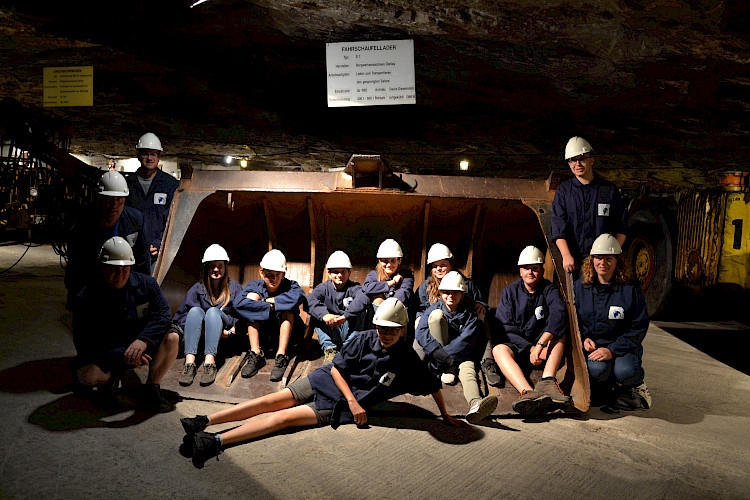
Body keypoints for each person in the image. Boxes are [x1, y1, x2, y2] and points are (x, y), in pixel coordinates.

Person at [179, 298, 463, 469]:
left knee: (283, 419)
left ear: (403, 330)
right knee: (267, 402)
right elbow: (337, 370)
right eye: (380, 328)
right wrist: (354, 402)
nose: (384, 335)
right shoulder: (364, 339)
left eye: (391, 331)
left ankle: (216, 441)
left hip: (337, 407)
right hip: (326, 382)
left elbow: (432, 384)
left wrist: (446, 416)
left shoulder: (408, 360)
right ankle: (204, 421)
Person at [71, 237, 179, 413]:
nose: (120, 273)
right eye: (114, 269)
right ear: (102, 267)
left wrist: (144, 340)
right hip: (108, 352)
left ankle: (152, 388)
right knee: (87, 376)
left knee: (172, 338)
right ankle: (111, 380)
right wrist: (122, 354)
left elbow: (163, 315)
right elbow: (86, 342)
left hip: (140, 346)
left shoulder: (147, 285)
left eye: (125, 268)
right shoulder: (87, 296)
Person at [574, 234, 651, 410]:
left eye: (609, 258)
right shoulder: (580, 287)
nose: (603, 263)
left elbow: (639, 326)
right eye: (598, 258)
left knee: (626, 372)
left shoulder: (630, 289)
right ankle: (609, 389)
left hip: (623, 346)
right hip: (595, 345)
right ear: (591, 260)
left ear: (617, 261)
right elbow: (575, 320)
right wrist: (583, 338)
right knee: (596, 370)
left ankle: (636, 388)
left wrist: (612, 350)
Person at [491, 246, 571, 415]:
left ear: (541, 270)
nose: (530, 273)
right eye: (526, 269)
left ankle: (548, 381)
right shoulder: (509, 292)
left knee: (560, 334)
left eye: (535, 269)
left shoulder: (549, 289)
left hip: (542, 351)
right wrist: (529, 348)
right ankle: (528, 393)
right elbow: (505, 328)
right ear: (520, 271)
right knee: (498, 349)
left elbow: (560, 314)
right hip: (519, 348)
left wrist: (541, 344)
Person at [414, 243, 502, 387]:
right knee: (421, 332)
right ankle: (417, 369)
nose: (439, 269)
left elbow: (479, 300)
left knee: (481, 320)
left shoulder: (466, 284)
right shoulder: (426, 286)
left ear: (451, 264)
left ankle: (487, 362)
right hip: (436, 329)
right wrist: (419, 316)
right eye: (435, 266)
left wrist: (481, 306)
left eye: (443, 264)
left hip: (460, 327)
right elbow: (420, 307)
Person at [415, 271, 497, 423]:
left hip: (460, 354)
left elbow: (465, 341)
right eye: (446, 292)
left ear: (462, 294)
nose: (450, 296)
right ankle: (447, 368)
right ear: (441, 293)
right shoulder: (434, 308)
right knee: (436, 317)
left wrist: (442, 358)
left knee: (468, 371)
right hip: (440, 350)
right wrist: (436, 352)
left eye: (455, 293)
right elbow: (421, 331)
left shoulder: (470, 313)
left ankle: (475, 404)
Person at [65, 170, 150, 308]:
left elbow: (143, 262)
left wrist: (142, 295)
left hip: (125, 288)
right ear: (98, 198)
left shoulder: (135, 221)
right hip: (92, 288)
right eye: (109, 199)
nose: (114, 205)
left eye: (119, 199)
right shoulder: (82, 226)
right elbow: (76, 268)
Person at [551, 136, 627, 274]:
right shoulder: (563, 192)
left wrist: (611, 256)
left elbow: (621, 228)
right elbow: (558, 227)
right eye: (573, 160)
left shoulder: (609, 191)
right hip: (574, 262)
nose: (577, 164)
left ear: (592, 160)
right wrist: (566, 255)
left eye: (582, 158)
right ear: (568, 163)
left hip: (602, 264)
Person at [173, 244, 243, 387]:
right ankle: (189, 364)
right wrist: (198, 329)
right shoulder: (198, 288)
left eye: (219, 266)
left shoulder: (234, 288)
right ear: (207, 268)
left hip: (224, 340)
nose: (216, 269)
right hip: (200, 340)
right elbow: (180, 316)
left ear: (225, 267)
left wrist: (230, 332)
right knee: (194, 311)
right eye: (212, 266)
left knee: (212, 312)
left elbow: (242, 315)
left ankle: (210, 363)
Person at [233, 249, 306, 382]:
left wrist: (267, 302)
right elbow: (239, 304)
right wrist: (267, 307)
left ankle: (281, 356)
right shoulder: (255, 286)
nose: (273, 279)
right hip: (264, 335)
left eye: (277, 274)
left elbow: (298, 298)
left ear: (283, 274)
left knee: (288, 310)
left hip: (289, 337)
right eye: (269, 274)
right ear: (262, 273)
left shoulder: (291, 286)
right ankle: (256, 354)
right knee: (251, 298)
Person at [125, 133, 179, 268]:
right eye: (145, 154)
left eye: (153, 154)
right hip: (130, 251)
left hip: (157, 254)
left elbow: (172, 218)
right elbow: (123, 218)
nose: (149, 158)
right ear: (138, 156)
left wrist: (158, 243)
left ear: (159, 157)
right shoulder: (127, 184)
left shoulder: (169, 184)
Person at [307, 250, 370, 364]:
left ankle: (348, 349)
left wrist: (345, 316)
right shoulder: (323, 288)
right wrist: (325, 315)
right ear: (329, 273)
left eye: (343, 271)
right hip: (331, 328)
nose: (340, 275)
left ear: (349, 273)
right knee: (316, 313)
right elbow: (310, 301)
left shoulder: (354, 288)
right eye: (335, 272)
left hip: (349, 329)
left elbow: (363, 299)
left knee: (361, 312)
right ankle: (329, 349)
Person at [361, 238, 414, 310]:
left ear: (399, 261)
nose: (389, 264)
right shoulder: (374, 275)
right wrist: (392, 282)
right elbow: (366, 288)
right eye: (385, 261)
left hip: (397, 314)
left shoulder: (406, 276)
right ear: (380, 261)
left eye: (393, 260)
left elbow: (401, 296)